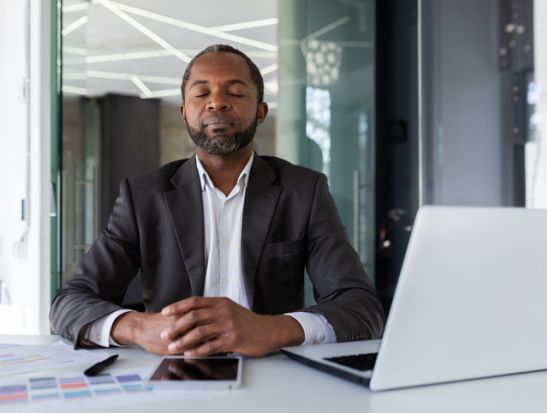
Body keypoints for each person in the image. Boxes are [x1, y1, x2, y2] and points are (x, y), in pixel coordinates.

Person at [50, 44, 384, 357]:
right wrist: (138, 327)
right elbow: (70, 302)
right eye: (201, 93)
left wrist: (273, 329)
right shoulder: (144, 196)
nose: (217, 102)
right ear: (184, 111)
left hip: (273, 369)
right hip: (172, 369)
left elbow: (360, 309)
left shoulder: (303, 191)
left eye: (236, 92)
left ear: (261, 112)